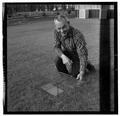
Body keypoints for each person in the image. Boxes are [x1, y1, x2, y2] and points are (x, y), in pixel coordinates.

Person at [54, 14, 95, 81]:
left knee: (76, 74)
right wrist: (63, 57)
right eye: (59, 28)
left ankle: (87, 65)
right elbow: (56, 47)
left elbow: (82, 55)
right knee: (57, 62)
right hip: (67, 52)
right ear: (56, 27)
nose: (62, 31)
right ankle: (67, 77)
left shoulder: (77, 35)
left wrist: (81, 72)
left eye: (64, 27)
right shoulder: (56, 31)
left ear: (68, 23)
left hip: (77, 55)